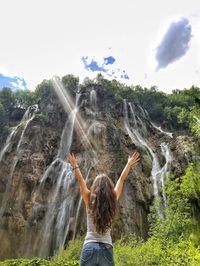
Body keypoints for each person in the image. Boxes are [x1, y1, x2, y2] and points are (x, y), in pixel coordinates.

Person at [67, 151, 140, 266]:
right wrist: (128, 164)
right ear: (109, 188)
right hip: (106, 249)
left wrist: (75, 165)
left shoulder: (89, 199)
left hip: (89, 247)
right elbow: (121, 179)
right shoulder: (113, 198)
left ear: (95, 187)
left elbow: (81, 181)